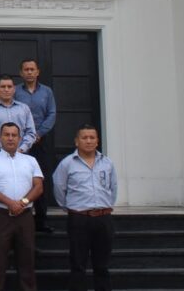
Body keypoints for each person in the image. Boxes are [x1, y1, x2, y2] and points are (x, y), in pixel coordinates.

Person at [0, 122, 43, 291]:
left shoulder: (31, 160)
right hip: (1, 216)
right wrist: (10, 203)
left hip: (25, 216)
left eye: (14, 135)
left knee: (27, 259)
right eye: (6, 135)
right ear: (0, 138)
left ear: (20, 138)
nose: (10, 138)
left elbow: (38, 186)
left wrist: (22, 203)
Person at [53, 124, 117, 291]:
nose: (88, 141)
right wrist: (72, 209)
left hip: (103, 219)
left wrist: (105, 206)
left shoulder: (107, 163)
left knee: (102, 266)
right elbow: (59, 189)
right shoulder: (67, 164)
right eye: (84, 137)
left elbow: (113, 188)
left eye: (92, 138)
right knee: (78, 265)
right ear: (76, 141)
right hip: (79, 219)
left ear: (97, 141)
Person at [14, 59, 57, 232]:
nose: (29, 72)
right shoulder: (15, 91)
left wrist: (39, 133)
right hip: (20, 142)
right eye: (26, 69)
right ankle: (19, 215)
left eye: (32, 69)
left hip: (41, 140)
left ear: (37, 72)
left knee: (40, 178)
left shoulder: (47, 92)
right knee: (20, 177)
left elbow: (52, 113)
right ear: (21, 73)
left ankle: (41, 219)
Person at [0, 74, 37, 155]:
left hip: (22, 155)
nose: (6, 89)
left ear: (14, 89)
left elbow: (31, 132)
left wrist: (22, 149)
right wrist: (5, 148)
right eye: (3, 87)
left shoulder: (24, 108)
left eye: (9, 86)